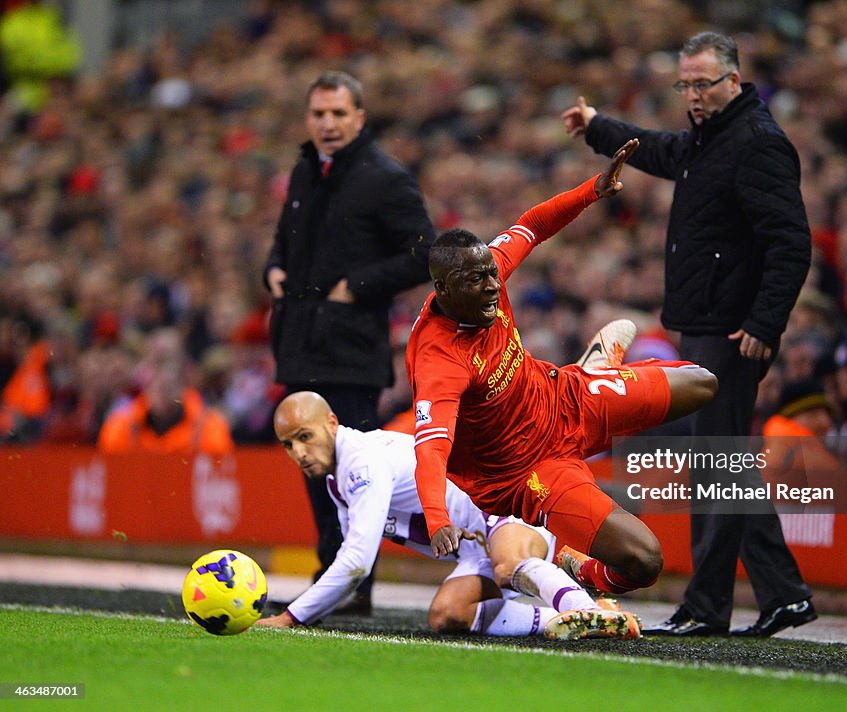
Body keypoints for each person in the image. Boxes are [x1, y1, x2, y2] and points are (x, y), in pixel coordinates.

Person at [562, 31, 814, 637]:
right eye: (686, 85)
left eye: (704, 83)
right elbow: (658, 150)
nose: (693, 95)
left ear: (734, 79)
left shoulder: (757, 143)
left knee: (715, 465)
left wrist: (763, 322)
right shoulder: (712, 139)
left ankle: (706, 607)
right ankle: (785, 595)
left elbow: (791, 242)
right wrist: (598, 127)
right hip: (707, 324)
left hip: (731, 332)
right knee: (726, 465)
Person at [406, 139, 719, 602]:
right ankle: (587, 571)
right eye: (479, 281)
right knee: (644, 561)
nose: (494, 286)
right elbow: (431, 452)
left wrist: (593, 189)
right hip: (531, 471)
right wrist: (438, 520)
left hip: (564, 398)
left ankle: (591, 369)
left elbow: (531, 225)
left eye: (494, 273)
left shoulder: (483, 270)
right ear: (443, 288)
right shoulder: (439, 361)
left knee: (702, 382)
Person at [255, 391, 641, 640]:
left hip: (503, 505)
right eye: (288, 444)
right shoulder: (336, 481)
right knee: (447, 615)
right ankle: (571, 616)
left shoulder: (361, 463)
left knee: (508, 565)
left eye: (305, 437)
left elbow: (357, 562)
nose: (298, 452)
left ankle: (582, 608)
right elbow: (350, 563)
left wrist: (293, 617)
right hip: (477, 545)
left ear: (331, 423)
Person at [263, 70, 437, 608]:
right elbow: (284, 239)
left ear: (360, 117)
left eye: (339, 113)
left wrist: (355, 287)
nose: (328, 123)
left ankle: (346, 584)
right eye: (319, 114)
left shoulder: (384, 178)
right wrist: (273, 268)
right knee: (316, 473)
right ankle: (335, 578)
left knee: (353, 475)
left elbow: (424, 251)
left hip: (349, 351)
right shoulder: (306, 170)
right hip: (300, 343)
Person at [97, 328, 233, 457]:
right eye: (156, 361)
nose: (162, 389)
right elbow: (111, 473)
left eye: (169, 360)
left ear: (184, 381)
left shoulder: (209, 427)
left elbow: (220, 469)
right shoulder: (121, 427)